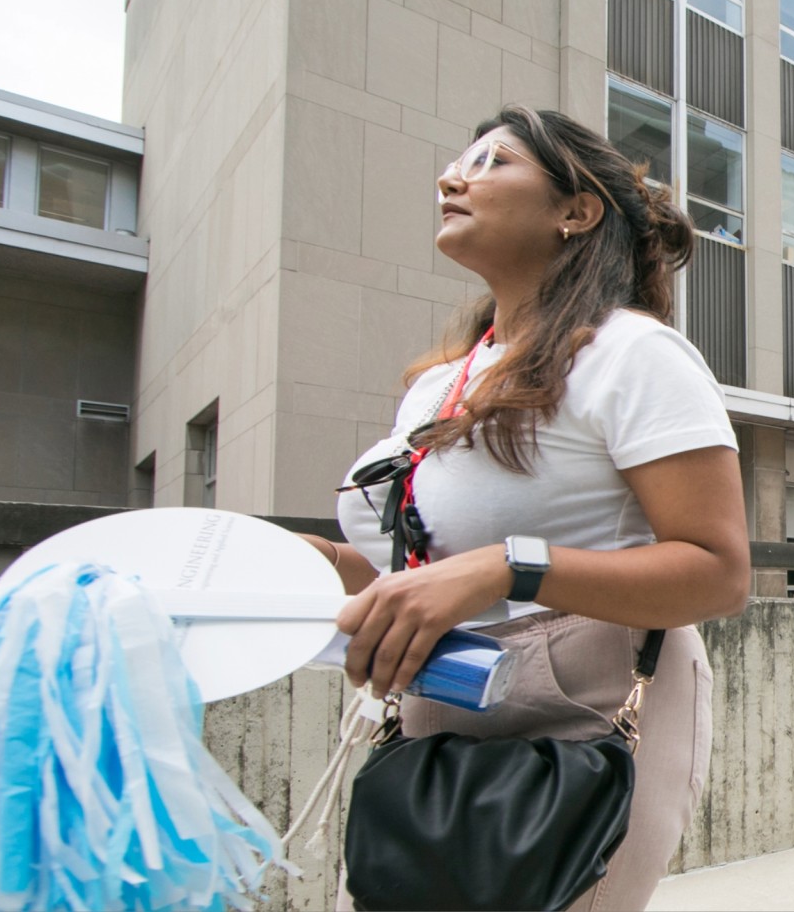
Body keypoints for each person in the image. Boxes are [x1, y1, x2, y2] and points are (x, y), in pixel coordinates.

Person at [309, 107, 750, 911]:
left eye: (491, 162)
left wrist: (508, 567)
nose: (452, 178)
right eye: (456, 163)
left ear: (574, 211)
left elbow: (719, 574)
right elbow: (411, 570)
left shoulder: (634, 354)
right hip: (435, 710)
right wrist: (307, 565)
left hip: (586, 711)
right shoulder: (434, 387)